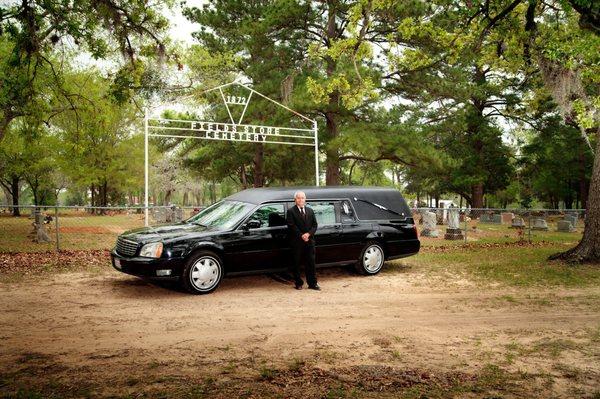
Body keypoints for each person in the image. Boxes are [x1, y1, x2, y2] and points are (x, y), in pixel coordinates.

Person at [286, 190, 320, 290]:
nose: (301, 200)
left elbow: (315, 225)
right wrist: (301, 235)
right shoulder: (291, 211)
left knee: (311, 263)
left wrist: (308, 234)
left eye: (302, 198)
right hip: (297, 242)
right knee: (296, 263)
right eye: (298, 198)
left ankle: (313, 283)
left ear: (305, 199)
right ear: (295, 200)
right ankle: (298, 283)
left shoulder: (310, 210)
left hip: (309, 241)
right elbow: (291, 226)